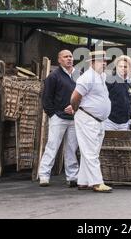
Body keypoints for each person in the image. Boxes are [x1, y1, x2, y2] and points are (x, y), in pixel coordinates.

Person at [70, 50, 112, 193]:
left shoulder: (101, 76)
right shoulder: (86, 77)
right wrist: (75, 109)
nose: (104, 63)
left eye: (105, 61)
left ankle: (83, 181)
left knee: (91, 150)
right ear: (92, 62)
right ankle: (97, 182)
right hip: (87, 117)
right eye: (101, 61)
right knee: (90, 152)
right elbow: (75, 97)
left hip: (97, 119)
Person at [38, 50, 79, 187]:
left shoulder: (78, 75)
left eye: (70, 56)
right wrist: (53, 114)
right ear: (59, 60)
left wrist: (76, 109)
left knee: (71, 148)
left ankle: (72, 177)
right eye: (65, 57)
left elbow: (83, 94)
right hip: (58, 117)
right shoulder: (53, 76)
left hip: (74, 118)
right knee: (52, 146)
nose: (69, 59)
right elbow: (46, 97)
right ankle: (44, 175)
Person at [105, 55, 131, 131]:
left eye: (125, 67)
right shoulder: (109, 80)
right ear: (116, 67)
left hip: (125, 123)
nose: (122, 68)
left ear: (129, 68)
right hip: (110, 121)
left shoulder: (130, 83)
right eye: (120, 66)